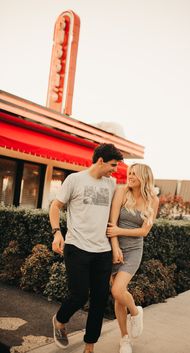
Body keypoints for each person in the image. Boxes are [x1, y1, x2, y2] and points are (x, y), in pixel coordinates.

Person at [49, 143, 123, 353]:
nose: (115, 169)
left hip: (102, 251)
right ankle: (60, 321)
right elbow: (56, 206)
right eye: (112, 165)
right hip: (77, 247)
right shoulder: (75, 179)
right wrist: (56, 232)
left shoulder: (111, 184)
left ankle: (89, 346)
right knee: (79, 295)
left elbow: (113, 215)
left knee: (100, 300)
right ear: (100, 161)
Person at [106, 163, 159, 353]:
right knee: (118, 298)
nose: (130, 176)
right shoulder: (121, 191)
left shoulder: (153, 200)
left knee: (118, 290)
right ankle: (124, 338)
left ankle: (136, 312)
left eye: (134, 174)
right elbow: (112, 223)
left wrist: (120, 231)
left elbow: (144, 231)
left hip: (134, 250)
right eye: (129, 173)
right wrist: (115, 247)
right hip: (114, 248)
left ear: (144, 177)